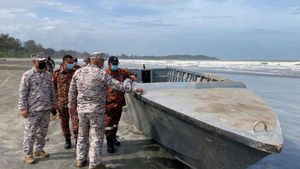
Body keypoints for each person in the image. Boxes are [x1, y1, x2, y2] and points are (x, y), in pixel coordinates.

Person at [68, 53, 143, 169]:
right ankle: (94, 163)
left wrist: (71, 106)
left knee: (82, 135)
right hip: (96, 111)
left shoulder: (78, 72)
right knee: (96, 136)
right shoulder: (100, 74)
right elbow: (119, 86)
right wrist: (133, 88)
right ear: (97, 61)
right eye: (102, 60)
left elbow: (72, 91)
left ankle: (80, 159)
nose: (103, 63)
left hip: (81, 110)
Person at [18, 52, 56, 164]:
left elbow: (51, 91)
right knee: (30, 133)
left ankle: (38, 150)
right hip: (32, 110)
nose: (43, 63)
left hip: (45, 108)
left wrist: (54, 105)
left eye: (44, 61)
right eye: (40, 62)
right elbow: (22, 92)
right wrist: (23, 108)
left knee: (42, 132)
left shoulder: (48, 75)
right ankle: (27, 154)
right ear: (34, 62)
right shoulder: (27, 75)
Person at [104, 56, 137, 153]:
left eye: (116, 64)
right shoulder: (105, 74)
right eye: (113, 64)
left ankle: (114, 138)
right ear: (109, 64)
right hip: (108, 104)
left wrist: (132, 76)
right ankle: (109, 144)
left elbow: (130, 73)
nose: (115, 66)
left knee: (115, 124)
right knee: (108, 125)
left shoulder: (121, 71)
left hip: (119, 103)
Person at [52, 55, 79, 149]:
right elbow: (53, 88)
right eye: (69, 63)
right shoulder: (57, 74)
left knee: (76, 122)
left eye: (72, 63)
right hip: (62, 103)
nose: (71, 64)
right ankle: (67, 140)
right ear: (64, 62)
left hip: (75, 102)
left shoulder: (76, 72)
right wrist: (54, 104)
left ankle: (77, 140)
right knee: (64, 122)